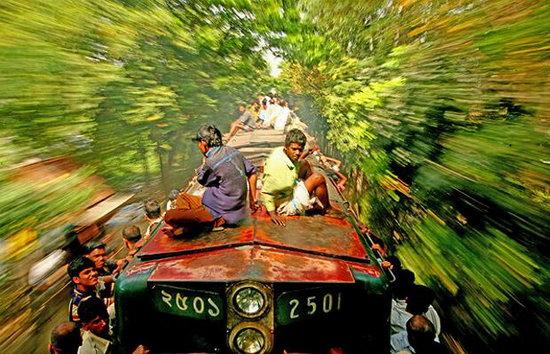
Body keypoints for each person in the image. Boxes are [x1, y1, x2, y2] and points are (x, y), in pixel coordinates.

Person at [164, 124, 257, 236]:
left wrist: (205, 162)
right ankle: (191, 222)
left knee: (169, 216)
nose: (198, 146)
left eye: (199, 143)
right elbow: (252, 173)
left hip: (219, 213)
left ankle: (207, 224)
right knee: (183, 197)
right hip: (233, 209)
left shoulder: (211, 161)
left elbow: (202, 181)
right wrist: (252, 199)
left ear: (204, 143)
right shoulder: (234, 151)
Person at [261, 129, 335, 226]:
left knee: (304, 163)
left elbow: (299, 160)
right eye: (294, 149)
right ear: (286, 147)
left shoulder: (280, 151)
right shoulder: (278, 168)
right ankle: (327, 209)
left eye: (300, 150)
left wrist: (306, 153)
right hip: (286, 204)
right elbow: (266, 193)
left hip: (288, 192)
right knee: (318, 178)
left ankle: (312, 194)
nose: (297, 153)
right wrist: (273, 214)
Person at [68, 256, 100, 323]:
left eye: (93, 270)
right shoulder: (81, 302)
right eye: (87, 272)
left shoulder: (89, 286)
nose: (94, 273)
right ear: (76, 279)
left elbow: (103, 279)